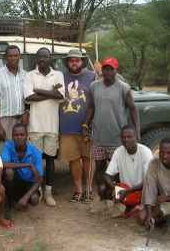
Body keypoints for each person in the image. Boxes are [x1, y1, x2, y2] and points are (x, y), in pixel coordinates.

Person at [82, 57, 141, 215]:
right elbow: (91, 107)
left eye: (111, 69)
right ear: (102, 69)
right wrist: (85, 125)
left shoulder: (123, 88)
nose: (108, 72)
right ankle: (102, 201)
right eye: (105, 68)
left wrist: (137, 131)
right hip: (99, 138)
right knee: (100, 170)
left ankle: (118, 202)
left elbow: (133, 109)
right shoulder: (94, 86)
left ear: (116, 70)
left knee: (118, 172)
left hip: (118, 139)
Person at [24, 47, 65, 207]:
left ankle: (48, 191)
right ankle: (37, 190)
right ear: (36, 59)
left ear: (49, 58)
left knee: (50, 159)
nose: (42, 59)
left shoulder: (58, 74)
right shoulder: (30, 75)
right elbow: (28, 97)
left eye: (45, 57)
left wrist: (39, 90)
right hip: (35, 126)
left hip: (51, 126)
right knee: (35, 161)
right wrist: (51, 92)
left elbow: (60, 95)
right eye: (39, 57)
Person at [58, 49, 98, 205]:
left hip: (87, 127)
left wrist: (100, 71)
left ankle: (89, 190)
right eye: (71, 60)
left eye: (77, 60)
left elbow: (113, 81)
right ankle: (79, 190)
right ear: (67, 63)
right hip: (66, 128)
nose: (74, 63)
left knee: (88, 158)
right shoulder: (60, 77)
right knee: (73, 160)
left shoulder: (93, 76)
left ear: (82, 62)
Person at [101, 125, 153, 219]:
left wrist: (127, 191)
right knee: (102, 188)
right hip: (125, 191)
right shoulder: (119, 151)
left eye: (129, 137)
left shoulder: (146, 152)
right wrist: (116, 189)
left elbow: (149, 180)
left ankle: (138, 208)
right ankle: (125, 205)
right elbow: (106, 175)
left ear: (136, 137)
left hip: (141, 191)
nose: (126, 140)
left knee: (150, 192)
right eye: (123, 137)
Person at [0, 45, 29, 156]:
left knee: (19, 155)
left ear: (20, 57)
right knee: (1, 154)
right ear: (5, 57)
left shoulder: (25, 75)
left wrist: (27, 112)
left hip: (20, 121)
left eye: (15, 55)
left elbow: (29, 97)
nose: (13, 58)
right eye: (10, 56)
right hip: (3, 121)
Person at [2, 123, 43, 220]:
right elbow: (3, 164)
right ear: (12, 136)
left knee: (34, 200)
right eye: (16, 135)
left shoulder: (35, 152)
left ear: (27, 136)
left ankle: (22, 199)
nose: (19, 137)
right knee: (8, 172)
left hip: (29, 183)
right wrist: (29, 164)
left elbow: (40, 179)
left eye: (22, 135)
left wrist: (26, 197)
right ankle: (11, 206)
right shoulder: (8, 146)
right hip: (14, 182)